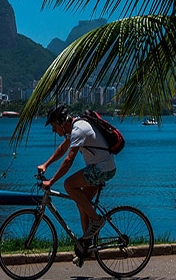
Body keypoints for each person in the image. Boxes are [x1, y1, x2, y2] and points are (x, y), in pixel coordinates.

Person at [38, 104, 117, 243]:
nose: (53, 130)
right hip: (100, 168)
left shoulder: (78, 129)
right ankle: (86, 245)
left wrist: (51, 181)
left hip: (102, 169)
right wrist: (46, 164)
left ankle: (96, 220)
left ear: (61, 123)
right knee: (82, 204)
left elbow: (69, 159)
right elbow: (62, 149)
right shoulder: (74, 128)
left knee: (69, 185)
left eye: (53, 126)